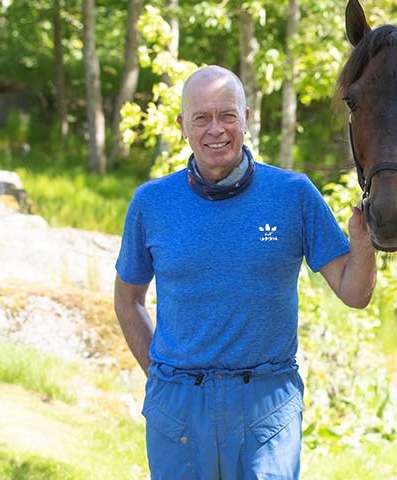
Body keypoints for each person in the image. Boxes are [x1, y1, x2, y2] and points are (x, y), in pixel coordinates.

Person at [114, 65, 376, 479]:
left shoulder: (294, 194)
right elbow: (128, 299)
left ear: (246, 119)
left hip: (267, 405)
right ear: (182, 126)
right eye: (201, 118)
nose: (215, 129)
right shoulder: (151, 203)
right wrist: (161, 379)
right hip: (178, 408)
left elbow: (355, 293)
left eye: (227, 115)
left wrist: (363, 242)